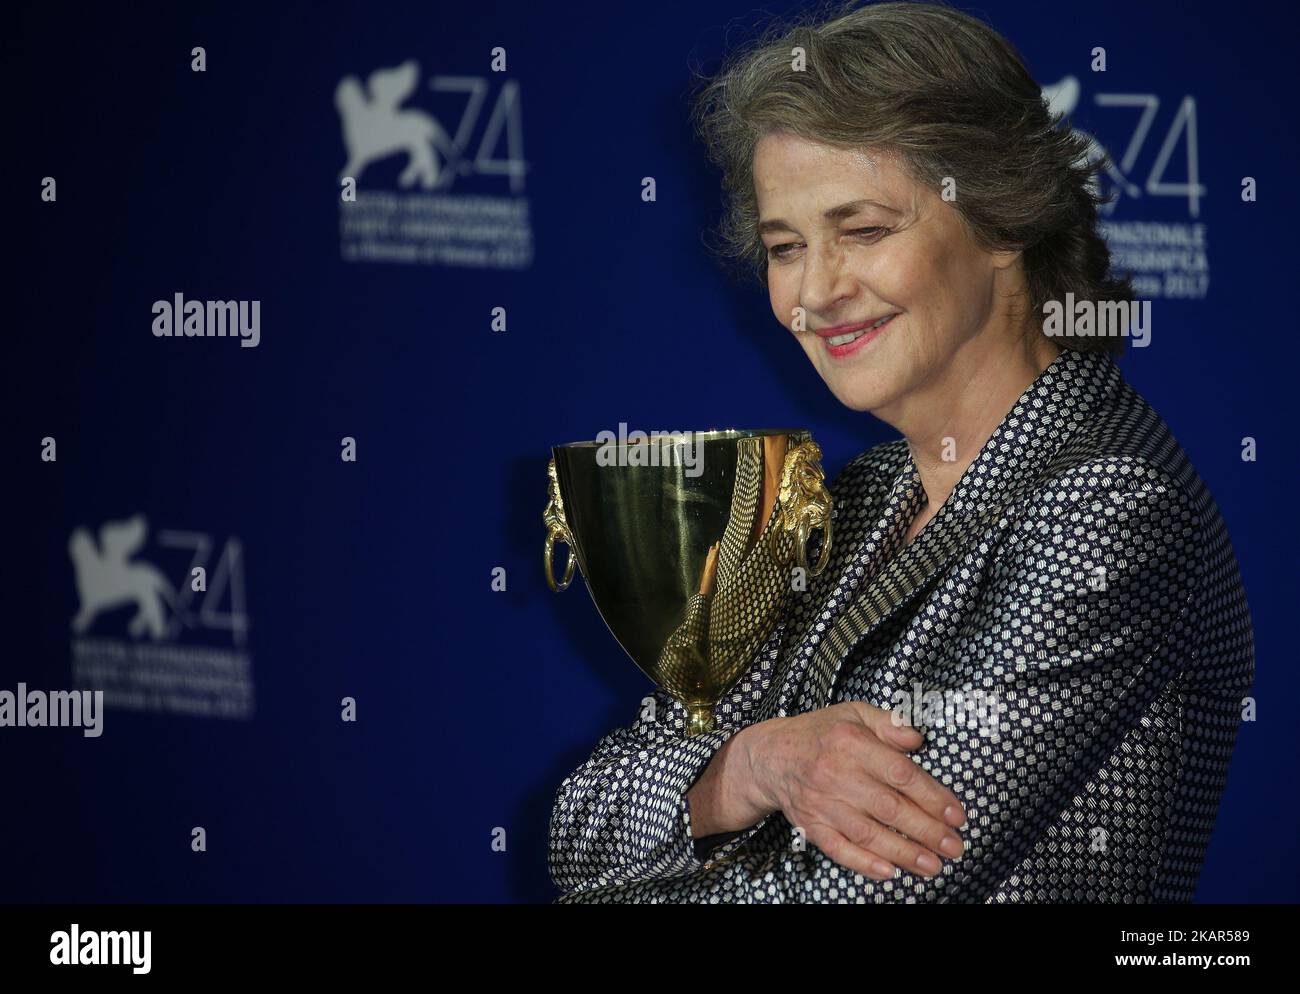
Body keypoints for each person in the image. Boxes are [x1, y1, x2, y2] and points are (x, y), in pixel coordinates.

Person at [547, 0, 1254, 903]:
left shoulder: (1109, 507)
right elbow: (578, 832)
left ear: (1001, 222)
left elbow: (864, 895)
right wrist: (752, 763)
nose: (817, 290)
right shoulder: (867, 494)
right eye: (785, 246)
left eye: (865, 231)